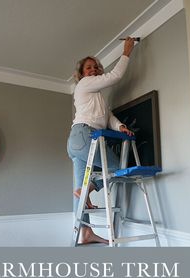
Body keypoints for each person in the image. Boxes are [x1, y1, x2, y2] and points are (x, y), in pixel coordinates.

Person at [67, 37, 135, 245]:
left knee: (79, 186)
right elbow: (115, 75)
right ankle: (91, 188)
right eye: (89, 68)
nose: (94, 70)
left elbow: (108, 116)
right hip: (85, 136)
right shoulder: (84, 85)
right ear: (81, 74)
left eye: (96, 67)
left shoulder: (96, 98)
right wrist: (126, 51)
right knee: (118, 169)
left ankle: (85, 232)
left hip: (76, 141)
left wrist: (120, 126)